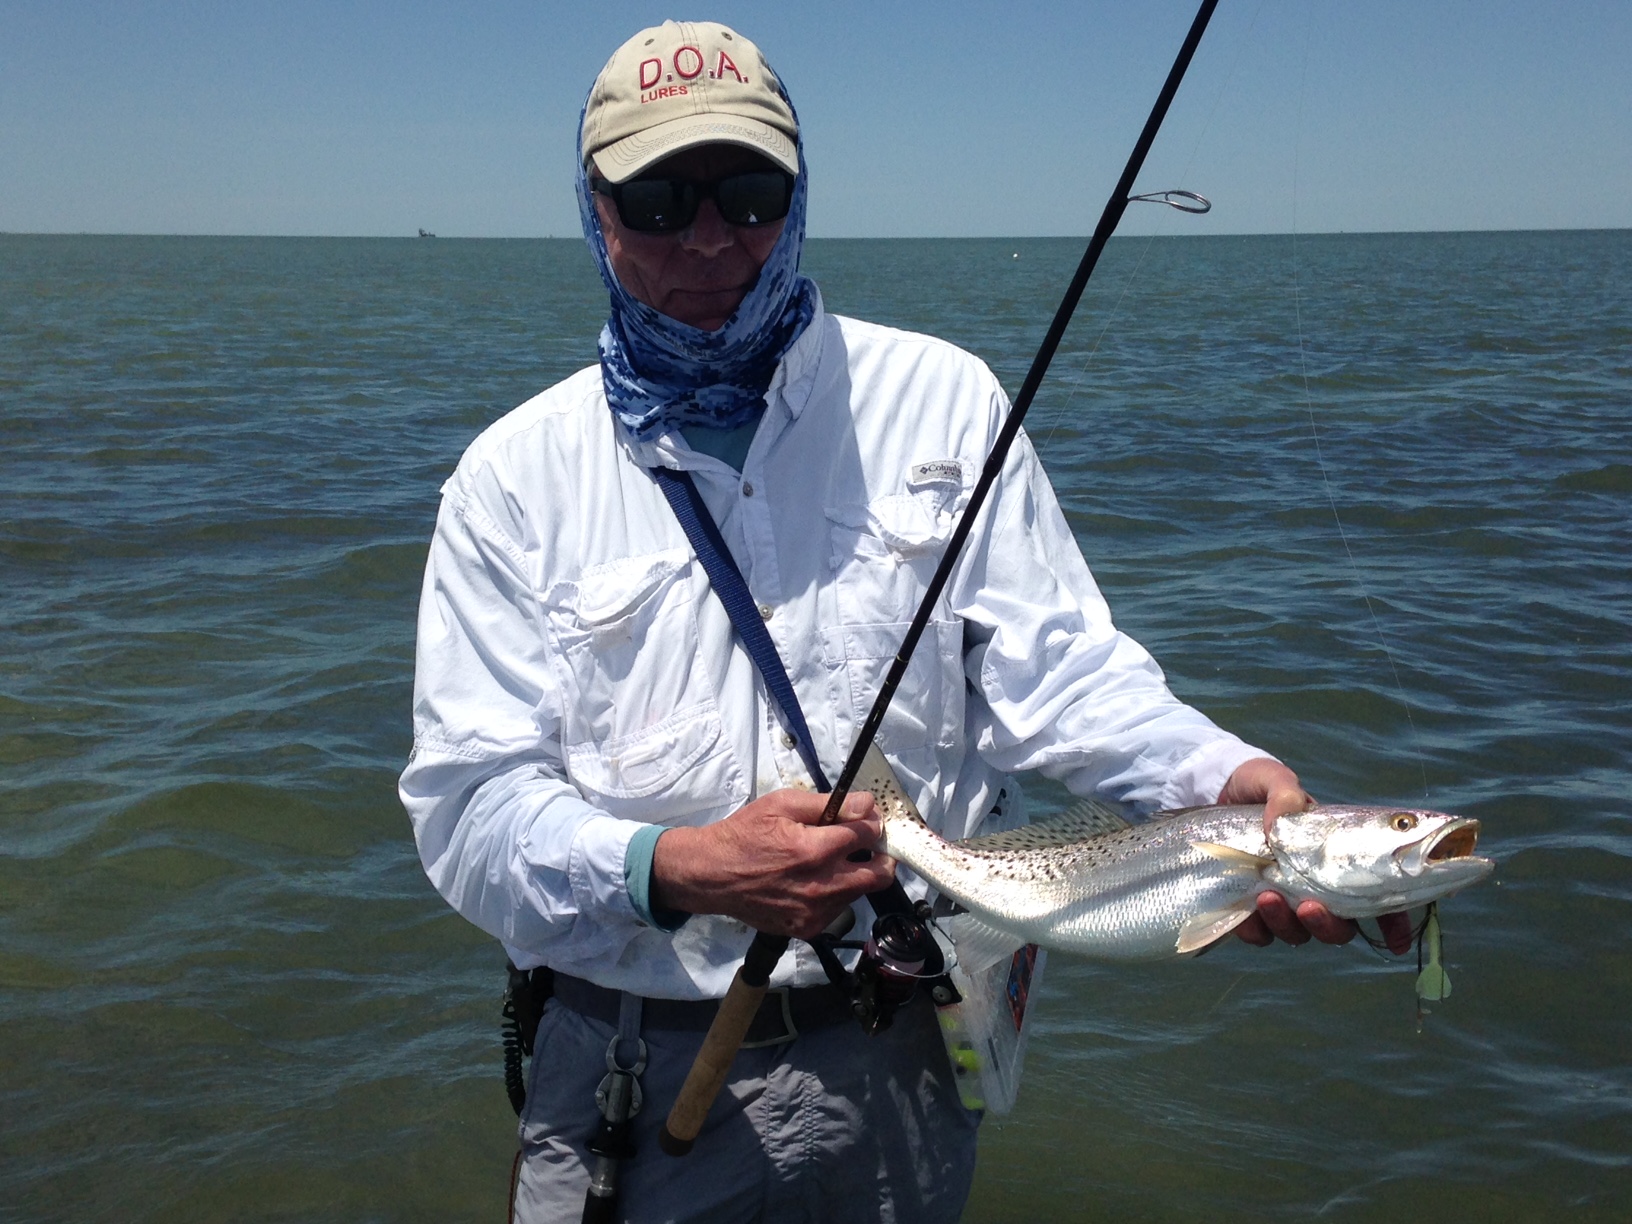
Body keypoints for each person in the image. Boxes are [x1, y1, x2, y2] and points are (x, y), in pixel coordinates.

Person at [400, 20, 1407, 1223]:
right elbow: (468, 809)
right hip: (632, 1064)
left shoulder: (944, 403)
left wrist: (1217, 780)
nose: (710, 237)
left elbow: (1061, 673)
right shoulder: (515, 478)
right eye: (658, 202)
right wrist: (680, 868)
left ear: (800, 193)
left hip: (908, 1054)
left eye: (749, 194)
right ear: (594, 210)